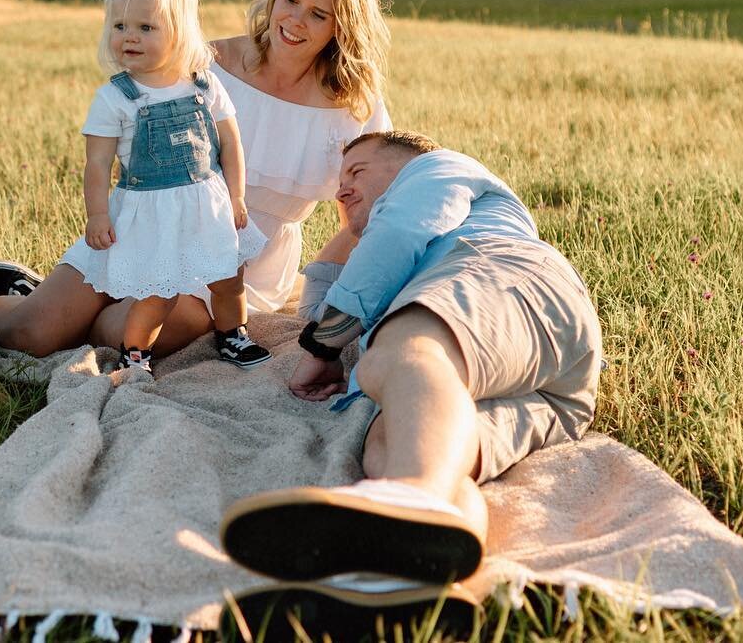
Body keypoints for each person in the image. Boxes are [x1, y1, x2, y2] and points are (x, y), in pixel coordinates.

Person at [217, 130, 603, 633]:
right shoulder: (386, 248)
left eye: (357, 171)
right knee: (393, 444)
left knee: (401, 354)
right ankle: (412, 586)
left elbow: (398, 232)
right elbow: (318, 308)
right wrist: (353, 228)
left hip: (508, 280)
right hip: (553, 386)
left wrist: (323, 346)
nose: (342, 189)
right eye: (338, 183)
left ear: (407, 164)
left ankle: (411, 496)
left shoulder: (439, 169)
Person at [0, 0, 393, 360]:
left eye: (318, 13)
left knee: (113, 331)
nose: (294, 20)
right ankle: (9, 297)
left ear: (342, 25)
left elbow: (370, 212)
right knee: (32, 334)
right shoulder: (205, 65)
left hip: (241, 259)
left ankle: (48, 295)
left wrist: (325, 280)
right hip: (149, 220)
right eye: (290, 0)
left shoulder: (354, 106)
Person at [36, 0, 270, 375]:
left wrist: (237, 196)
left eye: (146, 27)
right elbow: (98, 163)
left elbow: (231, 143)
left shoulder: (203, 84)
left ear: (179, 33)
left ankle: (233, 335)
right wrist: (97, 215)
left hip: (208, 204)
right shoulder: (117, 98)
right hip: (152, 212)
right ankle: (136, 353)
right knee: (155, 293)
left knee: (228, 278)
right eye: (120, 26)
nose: (130, 37)